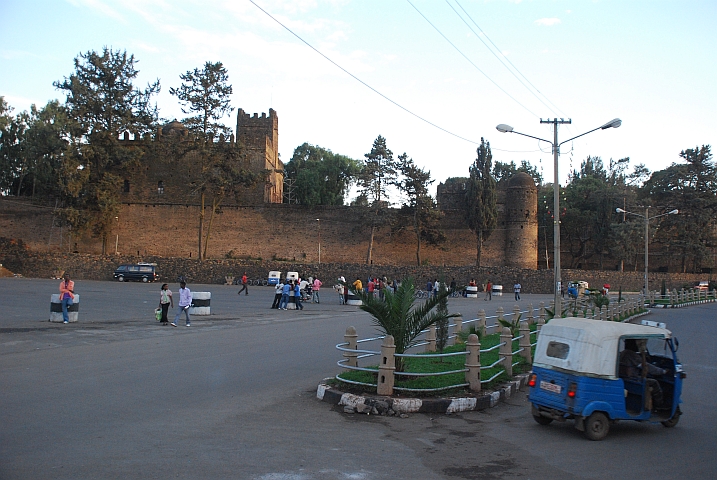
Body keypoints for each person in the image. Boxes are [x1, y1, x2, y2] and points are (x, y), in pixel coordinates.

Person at [619, 339, 667, 409]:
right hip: (632, 380)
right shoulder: (632, 355)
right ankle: (659, 405)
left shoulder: (622, 353)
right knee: (654, 383)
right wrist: (662, 371)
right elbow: (648, 368)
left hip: (624, 378)